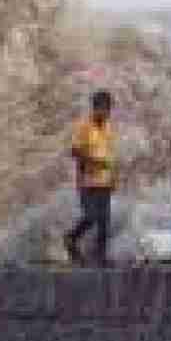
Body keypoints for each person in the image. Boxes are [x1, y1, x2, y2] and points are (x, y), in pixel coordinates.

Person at [65, 90, 116, 266]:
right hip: (87, 181)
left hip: (105, 182)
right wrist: (93, 162)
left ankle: (101, 257)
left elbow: (110, 154)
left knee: (104, 222)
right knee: (90, 216)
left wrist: (113, 178)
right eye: (101, 108)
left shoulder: (109, 127)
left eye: (107, 109)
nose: (105, 112)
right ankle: (70, 238)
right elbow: (74, 151)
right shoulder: (84, 127)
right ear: (94, 108)